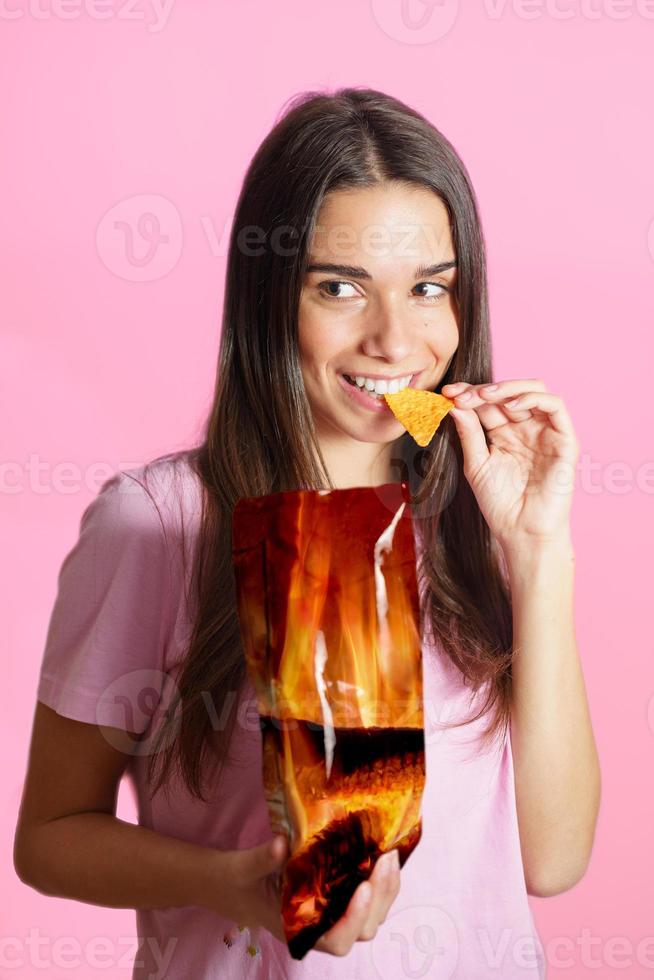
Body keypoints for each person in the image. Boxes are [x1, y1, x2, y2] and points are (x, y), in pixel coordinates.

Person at [13, 87, 600, 979]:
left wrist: (537, 546)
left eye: (428, 288)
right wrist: (232, 883)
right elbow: (49, 839)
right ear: (268, 297)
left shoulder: (480, 512)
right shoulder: (163, 521)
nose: (394, 338)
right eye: (340, 287)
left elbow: (552, 862)